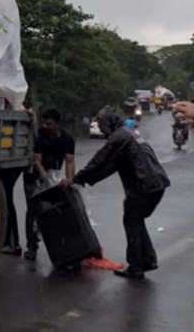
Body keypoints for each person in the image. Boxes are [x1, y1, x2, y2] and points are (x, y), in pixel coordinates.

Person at [68, 106, 170, 280]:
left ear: (109, 122)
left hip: (144, 186)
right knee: (135, 221)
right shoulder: (129, 133)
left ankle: (137, 267)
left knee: (132, 221)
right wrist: (85, 178)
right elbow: (109, 165)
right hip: (156, 184)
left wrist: (77, 178)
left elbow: (100, 161)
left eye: (101, 123)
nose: (100, 128)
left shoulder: (119, 137)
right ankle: (147, 260)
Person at [23, 108, 75, 261]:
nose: (46, 126)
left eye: (49, 124)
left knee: (54, 211)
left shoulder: (67, 138)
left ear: (57, 124)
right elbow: (36, 160)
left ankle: (61, 247)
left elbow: (70, 161)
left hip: (53, 175)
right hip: (35, 176)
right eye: (44, 123)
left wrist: (69, 180)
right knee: (33, 211)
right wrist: (44, 176)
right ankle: (32, 247)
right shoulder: (41, 136)